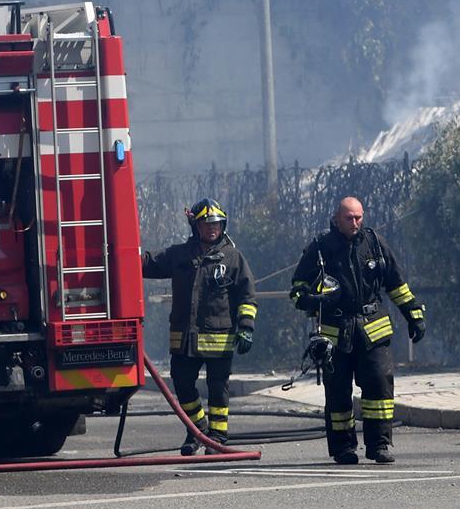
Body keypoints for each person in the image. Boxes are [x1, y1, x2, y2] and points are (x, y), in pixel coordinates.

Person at [290, 197, 425, 465]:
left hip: (372, 329)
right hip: (335, 333)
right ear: (337, 218)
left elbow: (396, 284)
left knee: (379, 384)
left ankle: (379, 445)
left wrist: (414, 314)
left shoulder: (374, 244)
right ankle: (343, 449)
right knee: (338, 393)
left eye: (359, 217)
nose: (355, 223)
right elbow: (296, 290)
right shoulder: (320, 248)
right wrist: (312, 298)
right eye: (350, 218)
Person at [142, 198, 257, 455]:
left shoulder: (233, 258)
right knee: (183, 385)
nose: (211, 228)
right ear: (196, 225)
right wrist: (121, 254)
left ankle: (216, 438)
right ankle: (198, 431)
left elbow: (247, 296)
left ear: (223, 225)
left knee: (218, 389)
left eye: (216, 223)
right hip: (184, 339)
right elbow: (147, 263)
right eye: (205, 223)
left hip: (219, 338)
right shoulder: (179, 255)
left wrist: (246, 326)